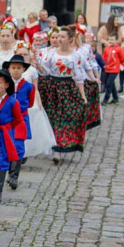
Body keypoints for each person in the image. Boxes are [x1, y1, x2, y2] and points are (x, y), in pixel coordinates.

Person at [35, 26, 89, 162]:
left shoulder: (76, 55)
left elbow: (78, 76)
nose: (59, 39)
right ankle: (55, 149)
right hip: (52, 87)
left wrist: (82, 95)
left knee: (66, 117)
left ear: (70, 39)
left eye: (62, 37)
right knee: (54, 117)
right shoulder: (52, 53)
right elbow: (45, 71)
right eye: (58, 36)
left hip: (68, 87)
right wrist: (38, 65)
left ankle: (62, 144)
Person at [0, 69, 27, 201]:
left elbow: (18, 119)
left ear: (6, 85)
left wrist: (8, 127)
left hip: (5, 135)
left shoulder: (12, 102)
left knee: (2, 160)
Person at [101, 34, 123, 105]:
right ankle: (115, 98)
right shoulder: (106, 48)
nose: (110, 41)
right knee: (111, 84)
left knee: (108, 84)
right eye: (109, 39)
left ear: (116, 40)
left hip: (114, 69)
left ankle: (105, 99)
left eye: (112, 40)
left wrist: (118, 64)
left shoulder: (118, 49)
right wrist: (103, 65)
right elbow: (103, 57)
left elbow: (123, 58)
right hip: (107, 68)